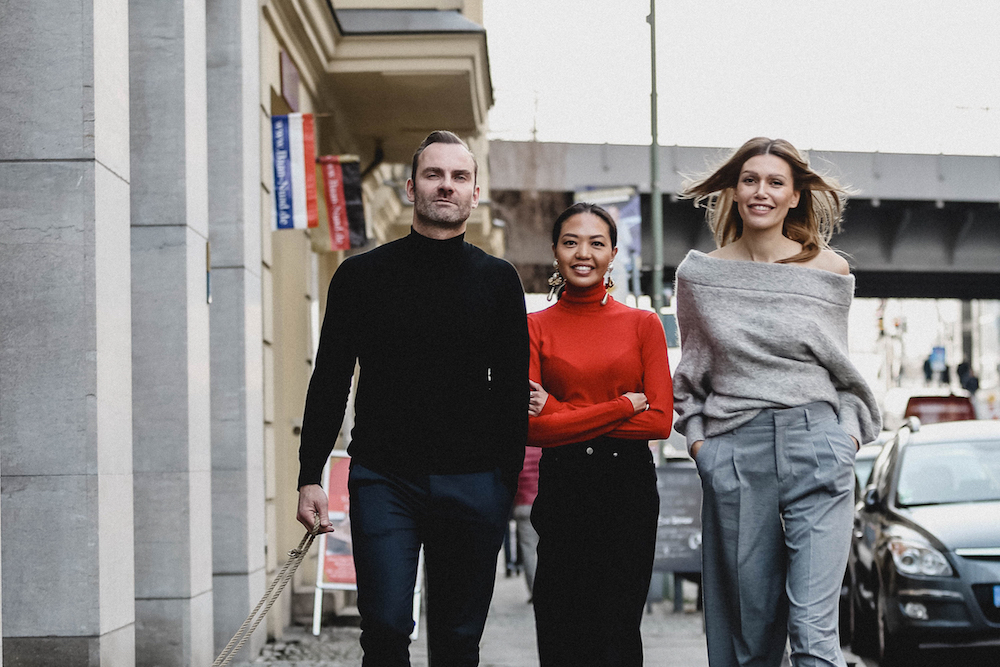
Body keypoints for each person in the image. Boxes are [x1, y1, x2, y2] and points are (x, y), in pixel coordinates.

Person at [295, 130, 528, 667]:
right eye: (433, 174)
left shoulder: (498, 281)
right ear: (410, 187)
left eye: (459, 177)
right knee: (383, 626)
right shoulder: (361, 276)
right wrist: (310, 472)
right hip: (384, 479)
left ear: (474, 193)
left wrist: (502, 483)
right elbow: (330, 377)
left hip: (474, 483)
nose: (445, 186)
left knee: (457, 638)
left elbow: (512, 390)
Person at [672, 137, 882, 667]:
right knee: (749, 633)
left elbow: (840, 370)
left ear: (794, 196)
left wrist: (847, 438)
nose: (760, 191)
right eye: (750, 180)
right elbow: (692, 374)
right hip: (735, 454)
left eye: (774, 182)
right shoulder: (700, 274)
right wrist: (702, 446)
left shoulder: (829, 272)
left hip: (817, 445)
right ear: (733, 190)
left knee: (813, 633)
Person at [526, 202, 673, 667]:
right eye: (571, 242)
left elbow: (660, 421)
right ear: (555, 252)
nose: (582, 253)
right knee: (559, 626)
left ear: (613, 253)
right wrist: (624, 404)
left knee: (617, 629)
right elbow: (531, 429)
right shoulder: (533, 327)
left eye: (595, 243)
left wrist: (561, 412)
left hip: (626, 488)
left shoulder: (643, 324)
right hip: (563, 487)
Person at [512, 445, 542, 598]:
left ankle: (534, 591)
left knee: (529, 550)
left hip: (523, 505)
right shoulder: (541, 449)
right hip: (542, 502)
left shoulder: (519, 451)